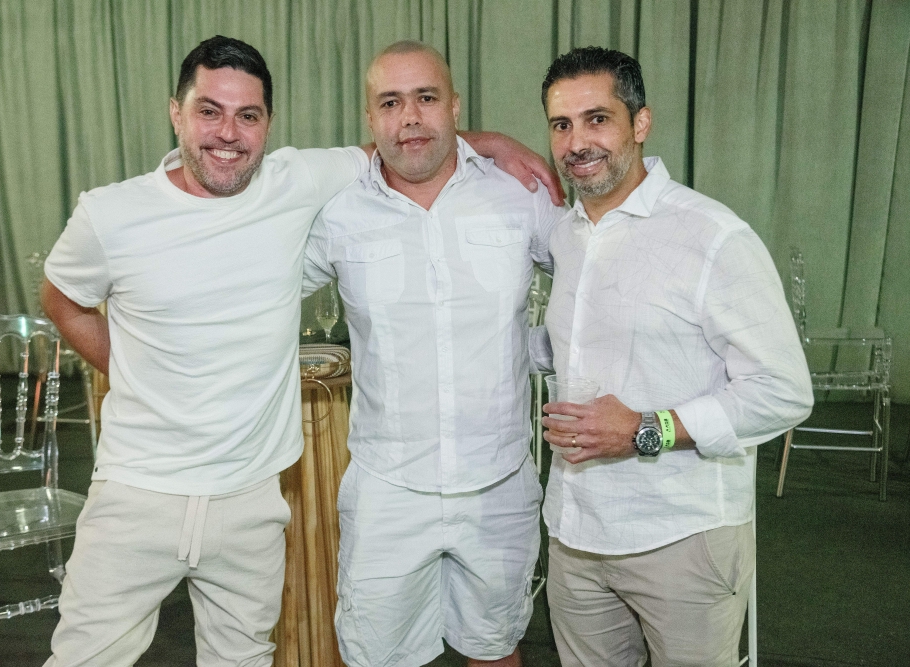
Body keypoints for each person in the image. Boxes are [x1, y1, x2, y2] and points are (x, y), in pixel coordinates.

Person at [40, 35, 562, 667]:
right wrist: (134, 371)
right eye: (208, 111)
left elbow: (585, 285)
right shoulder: (120, 212)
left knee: (257, 658)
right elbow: (63, 299)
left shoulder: (312, 183)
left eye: (247, 115)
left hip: (282, 495)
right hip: (165, 488)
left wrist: (492, 144)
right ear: (176, 112)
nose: (227, 132)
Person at [535, 46, 814, 667]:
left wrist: (645, 428)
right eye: (561, 125)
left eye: (597, 119)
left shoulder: (711, 235)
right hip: (575, 534)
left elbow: (783, 390)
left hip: (681, 538)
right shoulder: (565, 236)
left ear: (640, 122)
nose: (577, 142)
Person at [303, 41, 567, 667]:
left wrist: (546, 353)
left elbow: (592, 291)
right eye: (390, 103)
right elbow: (260, 299)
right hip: (387, 489)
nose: (410, 117)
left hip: (499, 484)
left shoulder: (520, 192)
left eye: (426, 98)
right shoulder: (336, 212)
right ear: (370, 118)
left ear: (454, 105)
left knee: (495, 649)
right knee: (376, 658)